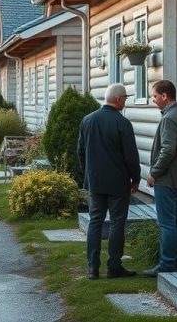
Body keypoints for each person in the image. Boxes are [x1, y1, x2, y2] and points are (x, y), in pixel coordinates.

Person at [77, 83, 141, 280]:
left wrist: (87, 173)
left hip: (95, 181)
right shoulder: (122, 123)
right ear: (119, 99)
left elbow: (80, 151)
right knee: (116, 223)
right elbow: (131, 156)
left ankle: (92, 269)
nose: (125, 102)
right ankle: (114, 267)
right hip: (118, 182)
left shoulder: (87, 120)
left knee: (95, 222)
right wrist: (135, 178)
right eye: (125, 99)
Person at [144, 79, 177, 277]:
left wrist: (153, 173)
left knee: (166, 223)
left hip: (167, 178)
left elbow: (167, 150)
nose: (153, 99)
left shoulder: (169, 118)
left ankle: (166, 265)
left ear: (165, 96)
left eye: (155, 96)